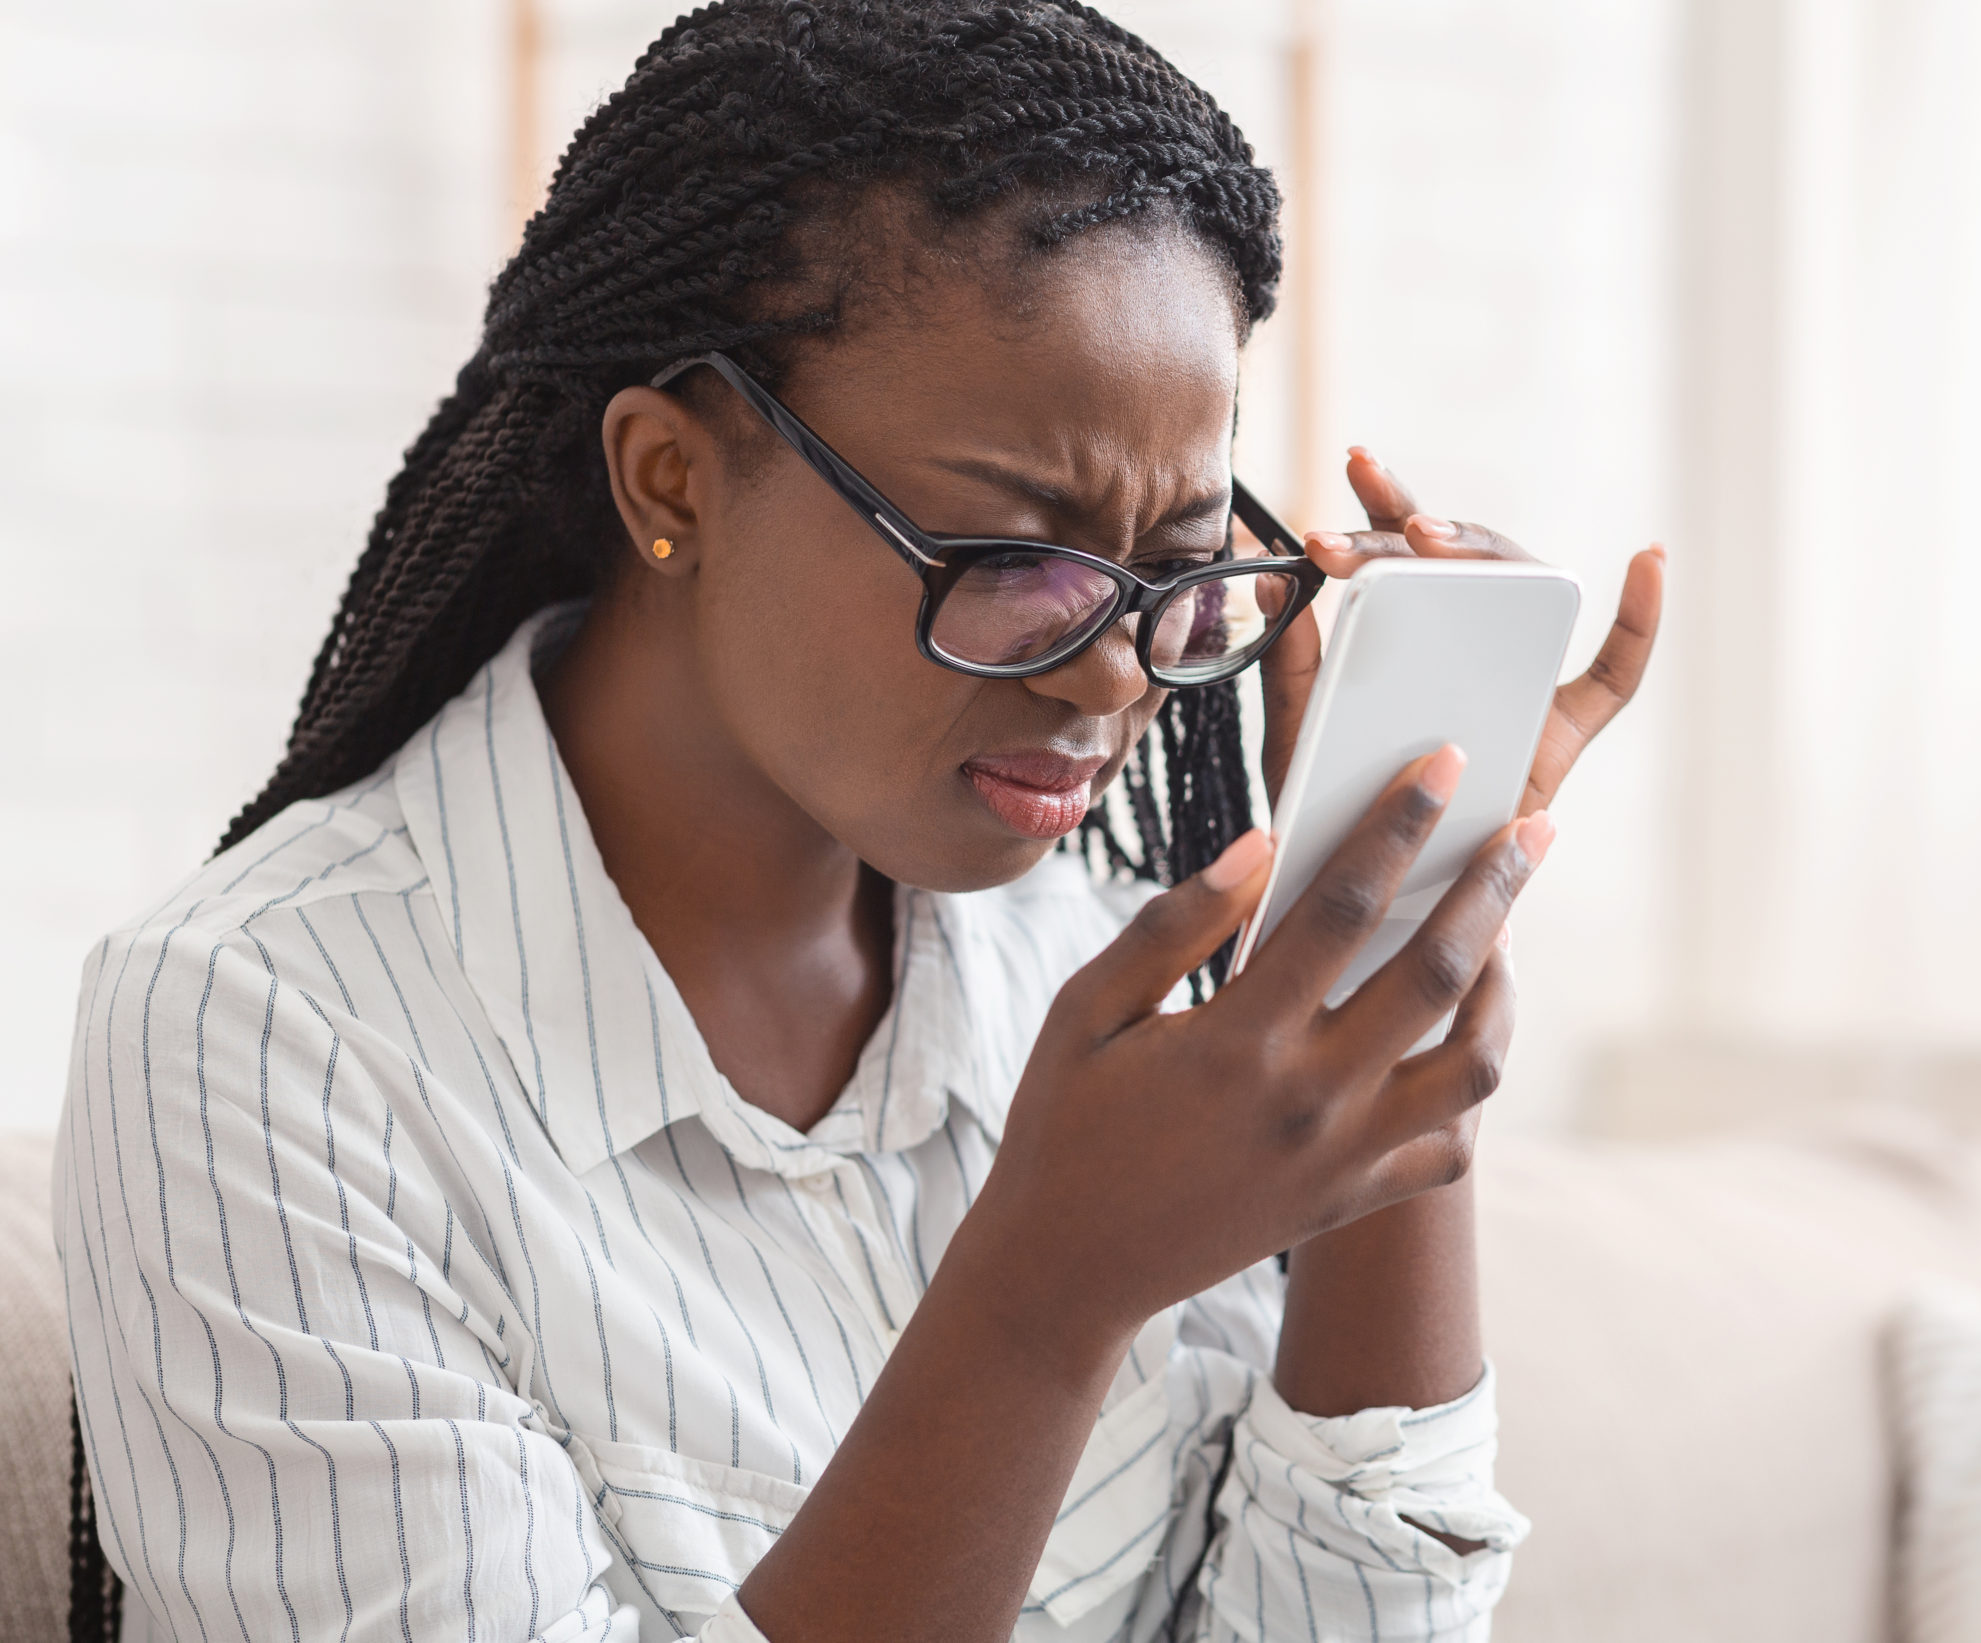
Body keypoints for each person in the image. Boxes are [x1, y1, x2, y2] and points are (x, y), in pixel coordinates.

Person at [53, 3, 1665, 1639]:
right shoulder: (262, 1036)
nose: (1115, 680)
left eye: (1179, 571)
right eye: (1016, 562)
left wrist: (1388, 970)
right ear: (672, 482)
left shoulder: (1104, 971)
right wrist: (1042, 1303)